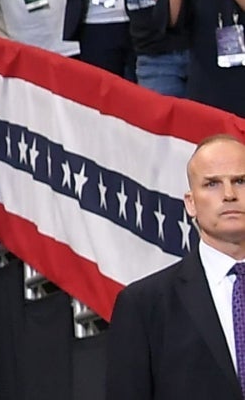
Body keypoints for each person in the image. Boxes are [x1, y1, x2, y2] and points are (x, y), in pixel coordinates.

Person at [104, 134, 245, 397]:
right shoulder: (144, 305)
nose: (229, 194)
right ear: (191, 203)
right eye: (212, 184)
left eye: (240, 181)